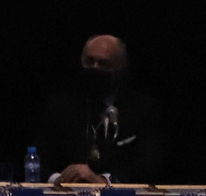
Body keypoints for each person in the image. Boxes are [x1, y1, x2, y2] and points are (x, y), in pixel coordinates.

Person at [36, 35, 166, 184]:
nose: (95, 68)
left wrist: (105, 181)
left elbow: (149, 164)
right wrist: (59, 179)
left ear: (120, 68)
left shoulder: (143, 109)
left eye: (103, 64)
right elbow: (37, 160)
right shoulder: (58, 106)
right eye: (89, 62)